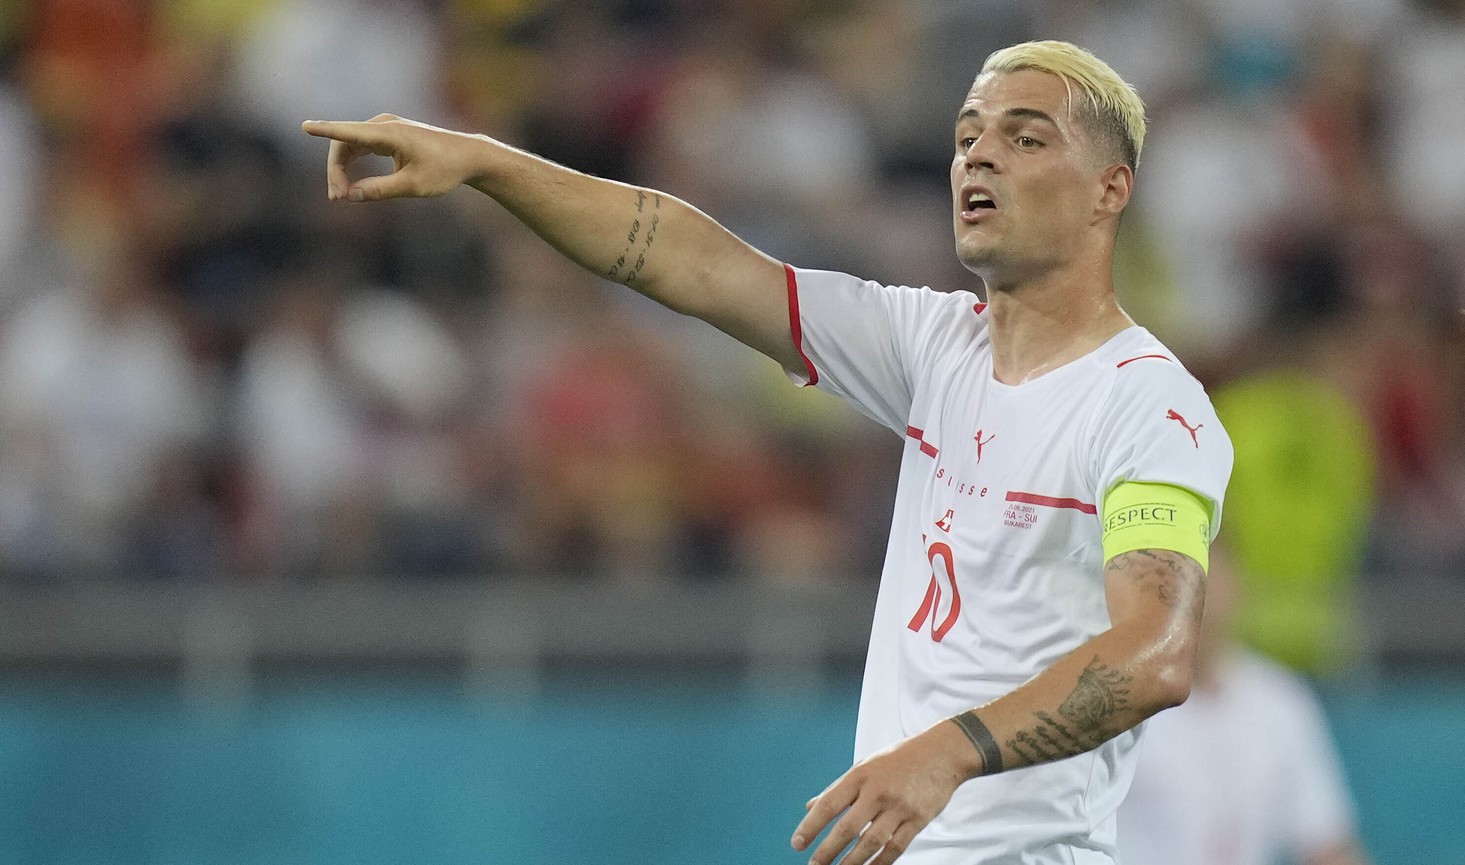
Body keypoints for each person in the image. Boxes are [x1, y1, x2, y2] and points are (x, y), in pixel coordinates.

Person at [304, 39, 1233, 865]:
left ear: (1112, 188)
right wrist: (482, 163)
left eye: (1025, 137)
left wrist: (947, 751)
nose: (980, 154)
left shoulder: (1148, 406)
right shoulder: (933, 346)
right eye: (967, 135)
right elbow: (690, 260)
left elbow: (1154, 651)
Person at [1117, 546, 1372, 865]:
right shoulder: (1119, 700)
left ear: (1239, 590)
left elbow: (1326, 843)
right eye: (1186, 590)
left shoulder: (1280, 702)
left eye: (1212, 588)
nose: (1202, 608)